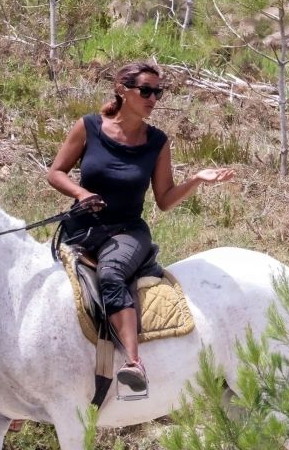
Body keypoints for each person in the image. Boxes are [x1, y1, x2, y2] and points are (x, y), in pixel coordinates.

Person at [48, 61, 235, 393]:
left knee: (111, 275)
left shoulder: (157, 142)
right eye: (146, 91)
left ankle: (134, 363)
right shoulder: (88, 127)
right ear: (122, 90)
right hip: (80, 229)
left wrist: (195, 180)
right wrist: (81, 193)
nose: (153, 98)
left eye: (158, 92)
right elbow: (56, 172)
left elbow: (164, 199)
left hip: (126, 233)